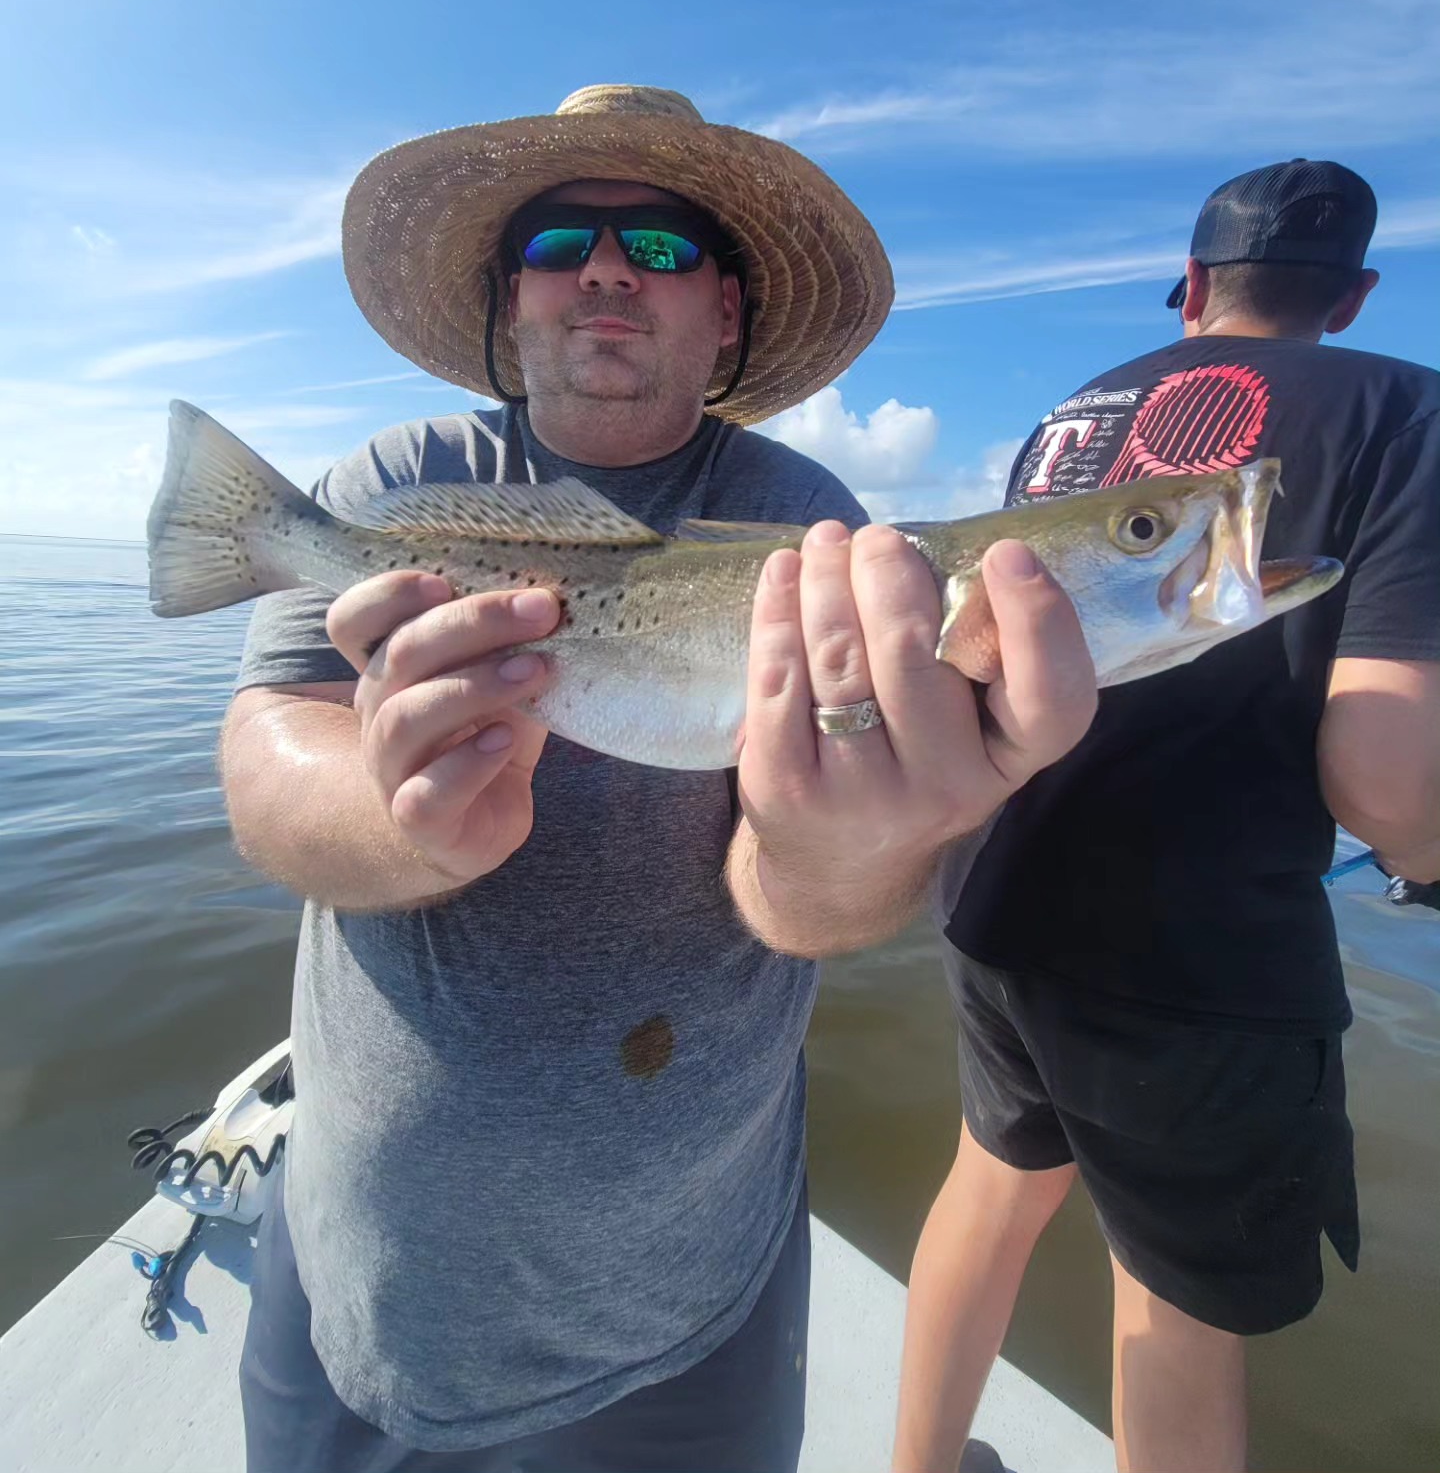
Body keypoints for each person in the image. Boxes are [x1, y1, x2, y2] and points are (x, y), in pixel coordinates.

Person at [223, 84, 1098, 1472]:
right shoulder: (397, 480)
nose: (607, 271)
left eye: (663, 246)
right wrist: (403, 825)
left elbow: (808, 898)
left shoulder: (814, 527)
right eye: (557, 243)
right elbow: (270, 742)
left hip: (695, 1275)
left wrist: (842, 849)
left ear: (727, 312)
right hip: (376, 1260)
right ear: (512, 301)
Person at [894, 160, 1440, 1473]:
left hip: (999, 883)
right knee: (1177, 1304)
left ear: (1190, 286)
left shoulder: (1071, 417)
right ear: (1355, 296)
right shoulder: (1407, 409)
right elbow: (1385, 773)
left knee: (991, 1189)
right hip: (1197, 945)